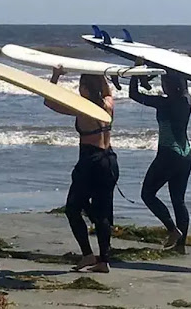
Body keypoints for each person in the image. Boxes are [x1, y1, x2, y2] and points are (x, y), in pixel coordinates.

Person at [44, 67, 118, 273]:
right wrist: (100, 73)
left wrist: (56, 76)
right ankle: (104, 260)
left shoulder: (82, 108)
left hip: (90, 162)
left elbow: (49, 101)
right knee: (102, 212)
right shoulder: (108, 105)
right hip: (110, 161)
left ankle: (87, 255)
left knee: (73, 209)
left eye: (80, 86)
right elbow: (109, 92)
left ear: (85, 88)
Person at [129, 71, 191, 254]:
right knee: (178, 201)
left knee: (147, 194)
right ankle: (180, 247)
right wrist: (146, 79)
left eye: (164, 82)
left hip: (168, 154)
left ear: (171, 85)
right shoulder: (187, 100)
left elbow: (134, 95)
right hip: (186, 155)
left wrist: (137, 74)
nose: (163, 86)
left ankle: (172, 230)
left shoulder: (164, 103)